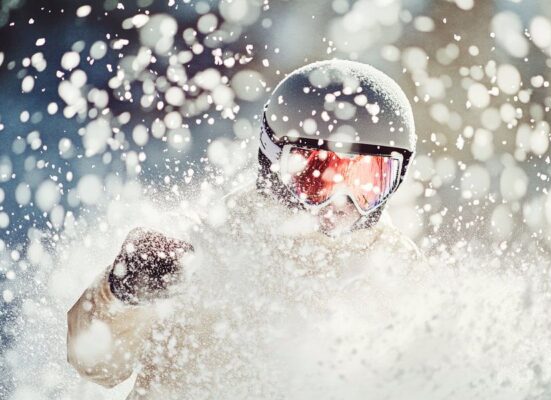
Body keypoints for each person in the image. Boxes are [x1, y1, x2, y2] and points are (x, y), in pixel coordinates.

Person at [67, 59, 423, 399]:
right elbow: (97, 367)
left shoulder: (395, 270)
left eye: (367, 182)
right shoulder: (208, 246)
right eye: (317, 176)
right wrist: (119, 294)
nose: (341, 203)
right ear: (273, 162)